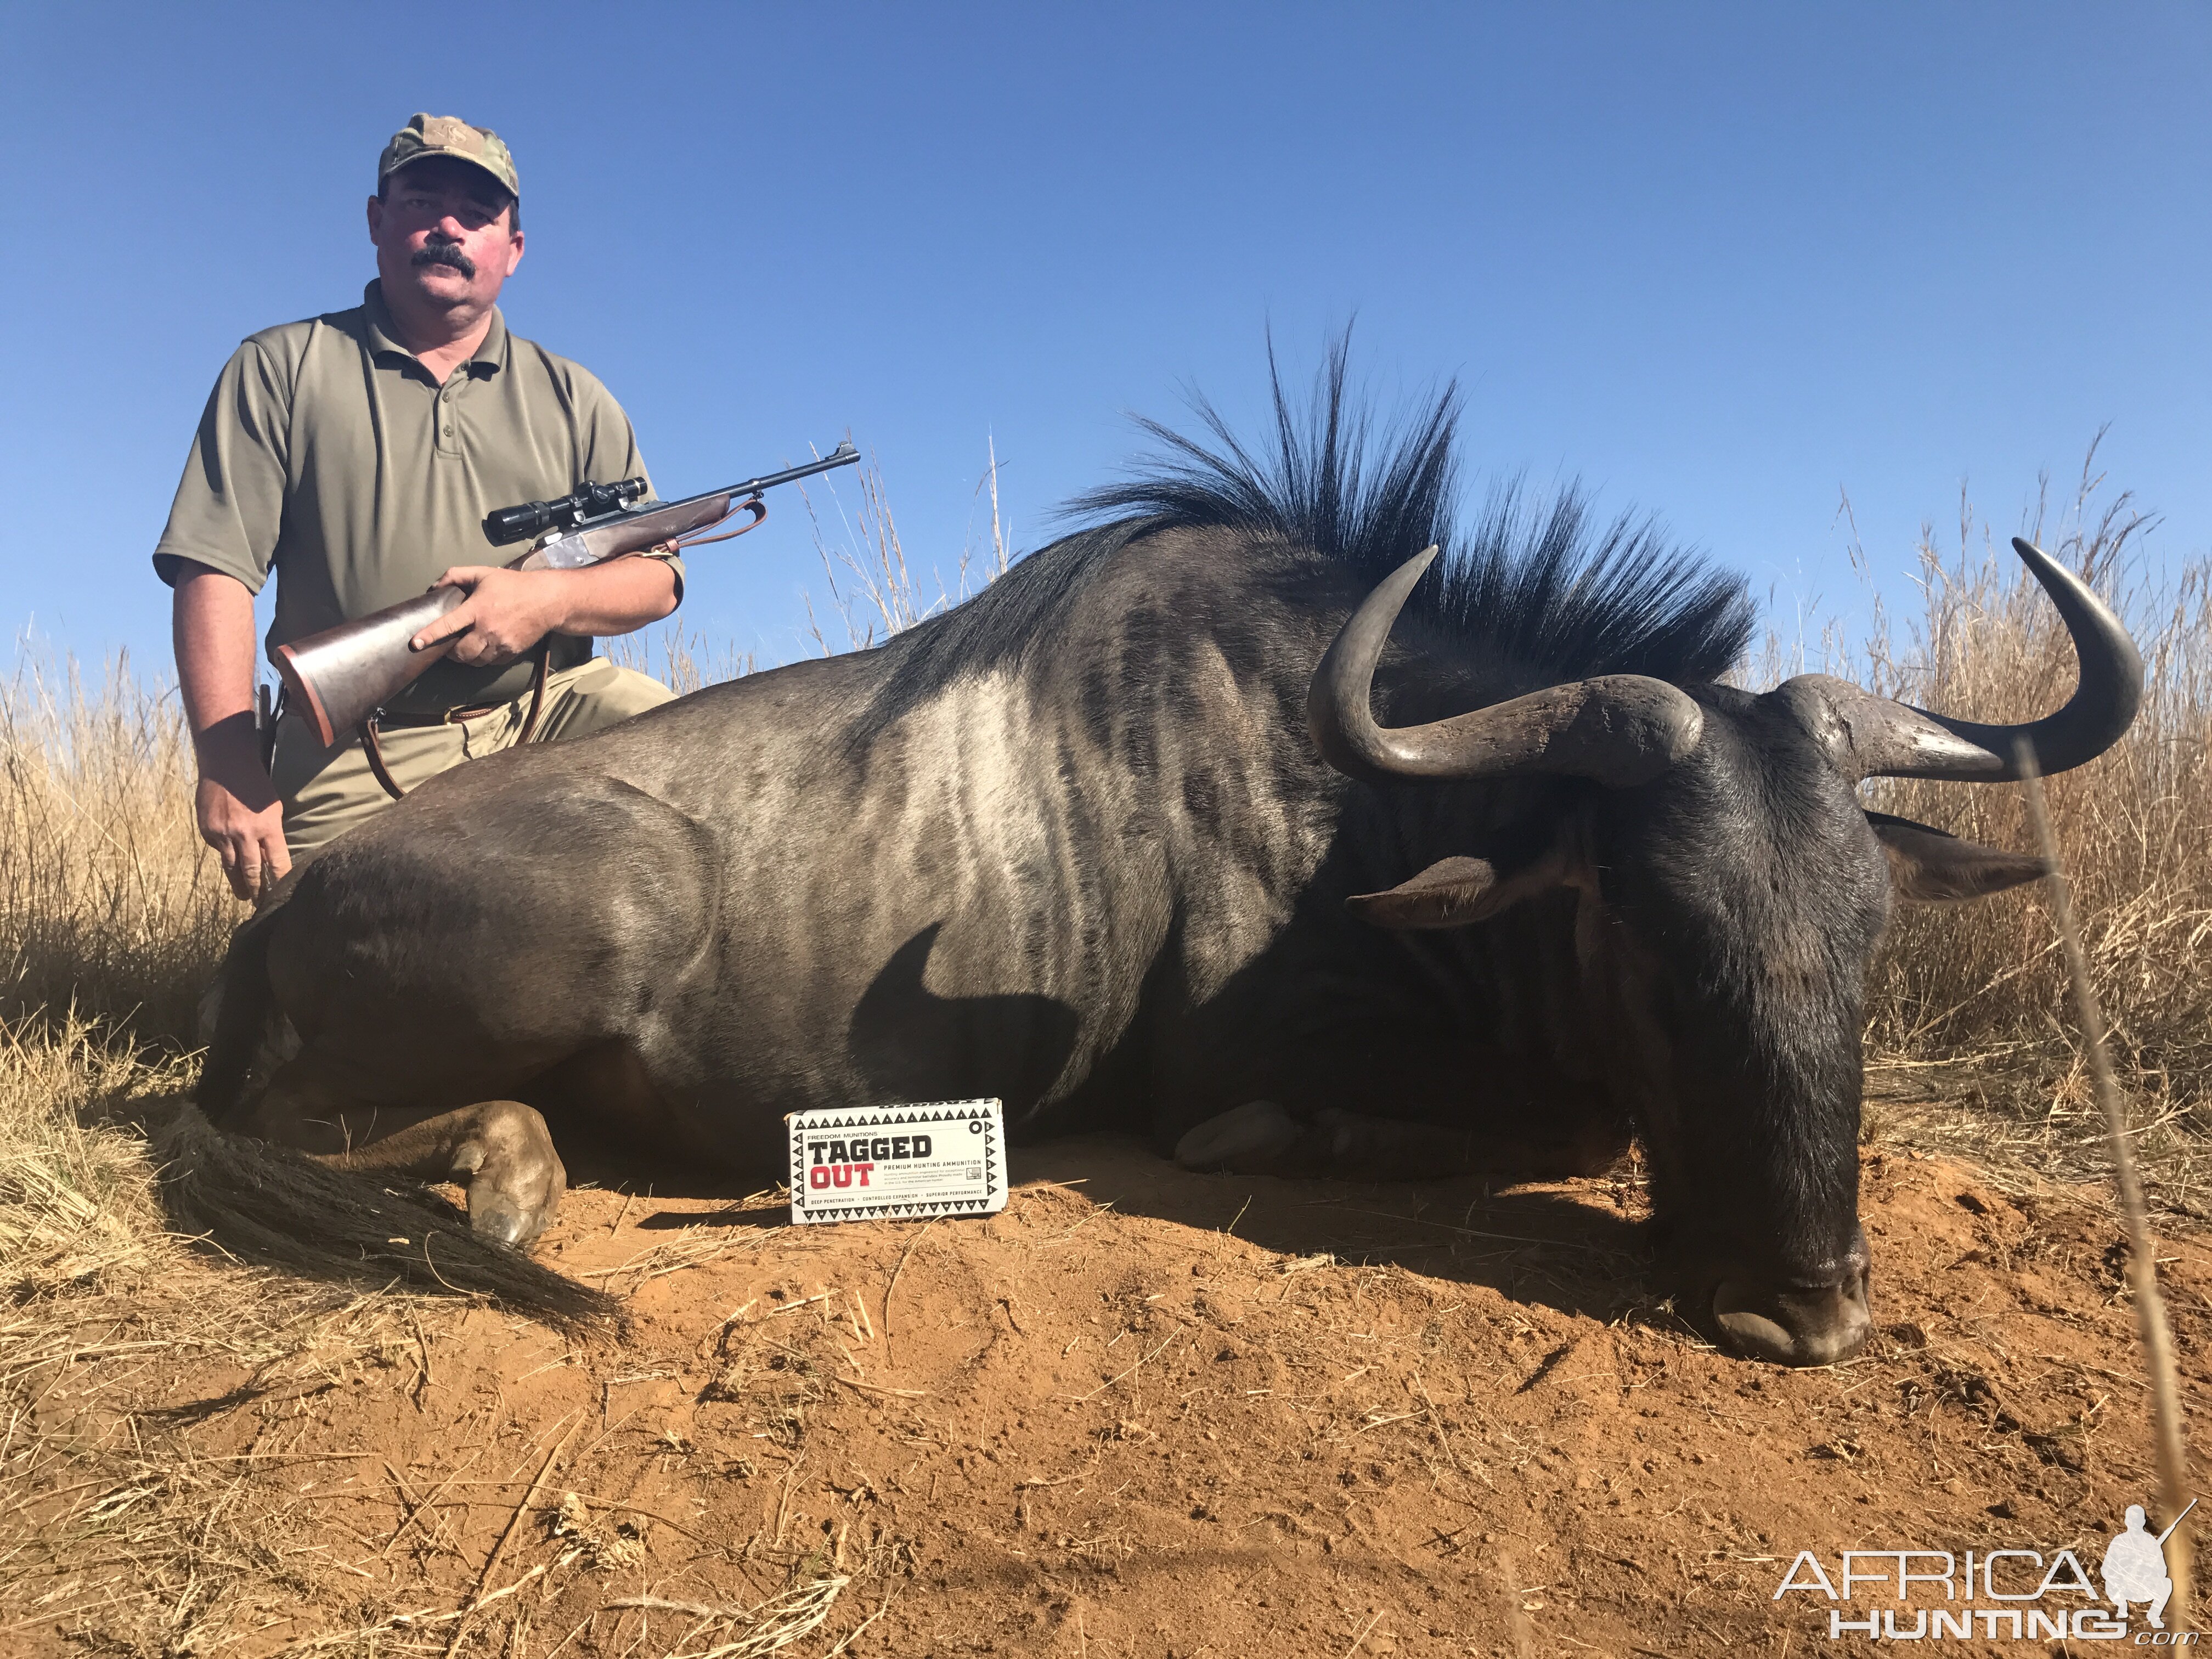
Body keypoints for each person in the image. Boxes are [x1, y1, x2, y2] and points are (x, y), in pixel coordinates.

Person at [156, 114, 682, 902]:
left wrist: (547, 602)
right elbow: (215, 569)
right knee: (313, 988)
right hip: (359, 743)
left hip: (552, 716)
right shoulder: (282, 367)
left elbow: (659, 580)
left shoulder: (577, 397)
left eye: (477, 213)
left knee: (726, 781)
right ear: (376, 220)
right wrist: (228, 764)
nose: (448, 226)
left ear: (514, 248)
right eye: (422, 200)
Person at [2101, 1505, 2173, 1629]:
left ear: (2144, 1522)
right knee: (2109, 1583)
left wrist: (2149, 1566)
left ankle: (2154, 1615)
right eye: (2132, 1521)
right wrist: (2123, 1572)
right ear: (2126, 1521)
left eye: (2138, 1521)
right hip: (2121, 1588)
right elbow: (2106, 1569)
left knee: (2167, 1583)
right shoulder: (2119, 1541)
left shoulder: (2151, 1542)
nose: (2134, 1524)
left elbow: (2163, 1571)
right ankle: (2122, 1606)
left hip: (2143, 1589)